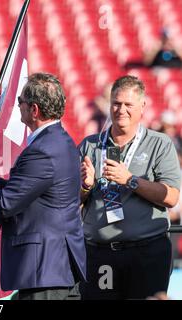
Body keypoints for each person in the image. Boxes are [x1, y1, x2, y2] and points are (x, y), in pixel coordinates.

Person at [0, 73, 87, 300]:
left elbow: (6, 203)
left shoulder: (42, 150)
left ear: (34, 110)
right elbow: (24, 191)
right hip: (54, 268)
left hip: (44, 269)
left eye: (20, 101)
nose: (17, 106)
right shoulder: (60, 141)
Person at [79, 75, 181, 300]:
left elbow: (172, 197)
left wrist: (130, 180)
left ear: (142, 107)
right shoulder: (90, 145)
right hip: (100, 252)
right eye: (116, 103)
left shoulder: (159, 143)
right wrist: (85, 187)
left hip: (147, 251)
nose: (120, 109)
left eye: (128, 104)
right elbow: (71, 200)